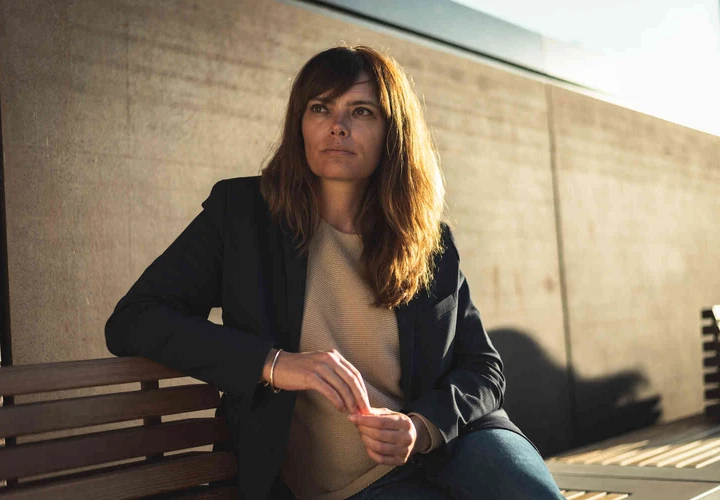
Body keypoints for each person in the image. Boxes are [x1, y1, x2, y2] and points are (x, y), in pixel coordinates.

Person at [105, 45, 563, 499]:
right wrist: (274, 363)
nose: (337, 126)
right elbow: (134, 319)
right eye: (320, 108)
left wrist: (421, 427)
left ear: (393, 133)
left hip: (454, 443)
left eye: (361, 111)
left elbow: (484, 367)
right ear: (300, 123)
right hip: (355, 486)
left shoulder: (429, 240)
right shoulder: (242, 216)